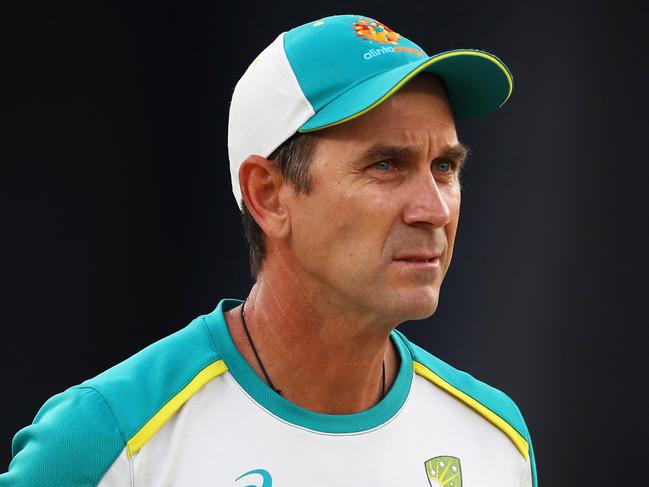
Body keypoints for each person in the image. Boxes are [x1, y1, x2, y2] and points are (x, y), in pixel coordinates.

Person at [1, 14, 538, 487]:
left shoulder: (492, 439)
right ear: (268, 194)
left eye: (445, 167)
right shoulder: (104, 440)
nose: (434, 209)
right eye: (386, 165)